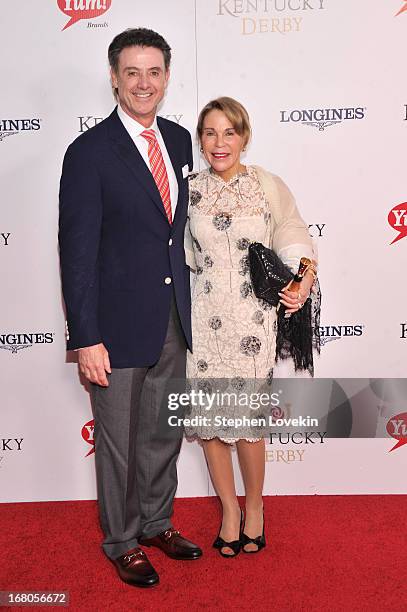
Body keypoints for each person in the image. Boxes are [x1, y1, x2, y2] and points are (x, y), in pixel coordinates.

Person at [59, 28, 202, 588]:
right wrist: (85, 335)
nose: (144, 83)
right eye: (132, 72)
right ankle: (121, 539)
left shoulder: (182, 139)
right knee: (117, 441)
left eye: (154, 72)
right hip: (114, 326)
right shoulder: (89, 152)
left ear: (166, 78)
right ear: (114, 78)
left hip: (175, 315)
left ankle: (157, 521)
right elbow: (76, 252)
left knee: (162, 431)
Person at [185, 97, 318, 557]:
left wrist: (303, 279)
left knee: (246, 425)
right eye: (210, 133)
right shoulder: (189, 190)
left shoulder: (265, 185)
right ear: (200, 140)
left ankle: (255, 507)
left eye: (229, 132)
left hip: (251, 323)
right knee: (210, 424)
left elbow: (294, 233)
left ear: (244, 136)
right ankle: (227, 510)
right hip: (202, 322)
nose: (220, 143)